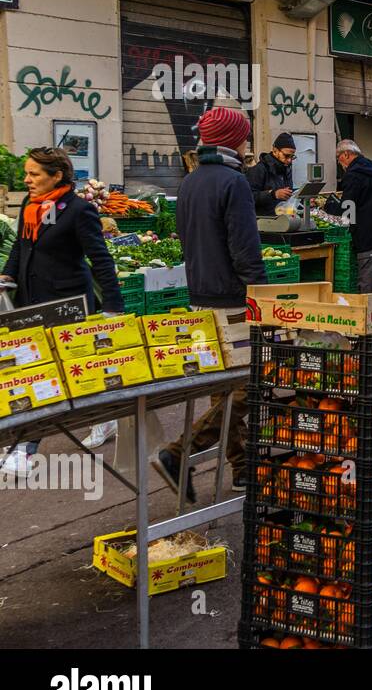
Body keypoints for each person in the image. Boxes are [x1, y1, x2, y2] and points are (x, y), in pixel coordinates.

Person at [152, 106, 267, 501]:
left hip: (199, 295)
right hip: (231, 297)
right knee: (247, 388)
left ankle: (242, 470)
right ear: (234, 139)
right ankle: (178, 452)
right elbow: (244, 247)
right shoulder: (233, 182)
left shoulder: (190, 181)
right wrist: (260, 293)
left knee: (224, 388)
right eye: (245, 135)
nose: (248, 141)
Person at [0, 146, 124, 479]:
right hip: (30, 299)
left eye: (34, 174)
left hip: (66, 303)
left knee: (49, 373)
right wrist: (8, 275)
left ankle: (25, 449)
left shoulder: (78, 210)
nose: (27, 180)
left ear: (57, 176)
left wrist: (112, 305)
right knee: (43, 370)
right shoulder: (30, 206)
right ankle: (104, 418)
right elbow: (20, 246)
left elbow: (100, 259)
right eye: (26, 173)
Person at [324, 140, 372, 293]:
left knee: (368, 287)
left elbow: (347, 211)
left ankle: (368, 316)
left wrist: (328, 205)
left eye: (338, 158)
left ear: (346, 154)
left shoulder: (353, 175)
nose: (339, 163)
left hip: (368, 235)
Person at [244, 132, 297, 217]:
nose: (289, 160)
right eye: (286, 156)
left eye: (292, 157)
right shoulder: (259, 169)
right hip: (263, 222)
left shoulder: (286, 169)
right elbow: (247, 197)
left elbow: (289, 194)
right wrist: (273, 194)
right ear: (275, 150)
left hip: (283, 220)